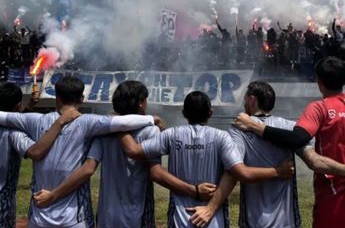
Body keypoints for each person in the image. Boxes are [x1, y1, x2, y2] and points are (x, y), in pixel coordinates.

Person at [34, 81, 215, 228]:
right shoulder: (150, 131)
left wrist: (55, 193)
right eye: (146, 100)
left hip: (107, 213)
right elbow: (155, 171)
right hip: (138, 211)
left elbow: (88, 168)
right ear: (140, 103)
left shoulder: (104, 133)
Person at [0, 75, 158, 228]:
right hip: (75, 218)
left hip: (40, 214)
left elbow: (4, 116)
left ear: (58, 97)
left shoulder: (34, 120)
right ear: (82, 99)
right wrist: (153, 119)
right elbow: (123, 122)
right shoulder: (88, 122)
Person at [119, 91, 294, 228]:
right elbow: (239, 172)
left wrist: (118, 123)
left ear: (184, 113)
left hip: (180, 218)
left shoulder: (171, 135)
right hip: (213, 219)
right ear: (210, 112)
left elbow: (133, 151)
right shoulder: (222, 137)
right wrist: (277, 171)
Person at [189, 80, 345, 228]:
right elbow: (314, 161)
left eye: (244, 98)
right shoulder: (291, 127)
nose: (243, 103)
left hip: (253, 221)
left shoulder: (239, 128)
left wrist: (210, 209)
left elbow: (233, 173)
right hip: (287, 222)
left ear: (251, 100)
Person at [233, 57, 345, 228]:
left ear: (319, 82)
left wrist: (256, 127)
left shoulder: (319, 108)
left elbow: (300, 142)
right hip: (288, 221)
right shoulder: (289, 125)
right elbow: (311, 158)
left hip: (332, 197)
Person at [0, 82, 80, 228]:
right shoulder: (14, 134)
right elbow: (36, 152)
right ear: (18, 106)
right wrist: (59, 122)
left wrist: (28, 106)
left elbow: (14, 119)